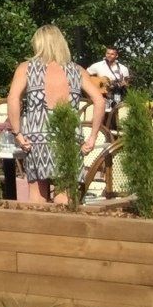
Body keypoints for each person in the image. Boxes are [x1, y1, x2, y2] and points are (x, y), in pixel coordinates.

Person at [8, 25, 105, 203]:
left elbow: (13, 98)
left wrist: (18, 133)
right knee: (65, 195)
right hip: (68, 138)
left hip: (36, 138)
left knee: (37, 196)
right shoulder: (77, 70)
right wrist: (92, 137)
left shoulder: (26, 68)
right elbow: (100, 101)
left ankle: (38, 230)